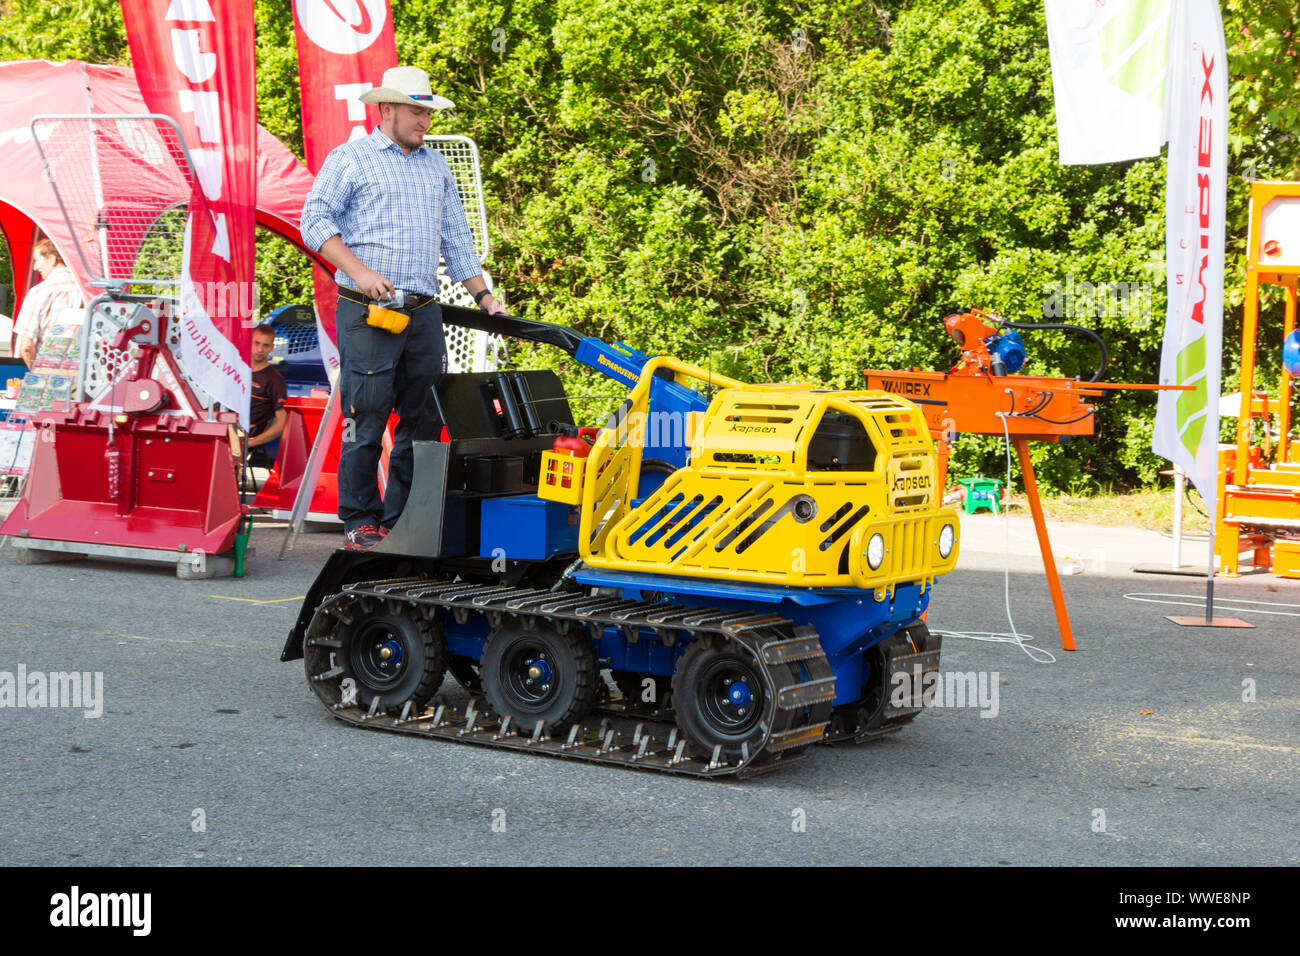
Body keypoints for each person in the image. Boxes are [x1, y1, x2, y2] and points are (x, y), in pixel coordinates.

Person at [301, 66, 507, 551]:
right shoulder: (350, 159)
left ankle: (400, 522)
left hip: (423, 311)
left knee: (424, 421)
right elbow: (314, 221)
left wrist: (484, 296)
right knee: (365, 416)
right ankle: (359, 520)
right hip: (364, 308)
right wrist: (362, 272)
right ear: (386, 109)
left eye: (428, 112)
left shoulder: (437, 167)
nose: (425, 120)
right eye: (417, 110)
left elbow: (456, 240)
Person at [14, 239, 83, 368]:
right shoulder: (88, 290)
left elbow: (26, 346)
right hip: (81, 372)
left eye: (37, 260)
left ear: (51, 259)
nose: (35, 267)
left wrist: (35, 372)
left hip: (48, 370)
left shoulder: (39, 292)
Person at [246, 322, 288, 468]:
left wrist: (251, 442)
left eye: (265, 345)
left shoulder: (274, 380)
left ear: (271, 348)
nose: (260, 349)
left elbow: (283, 423)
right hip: (221, 429)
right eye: (256, 343)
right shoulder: (236, 368)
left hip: (241, 440)